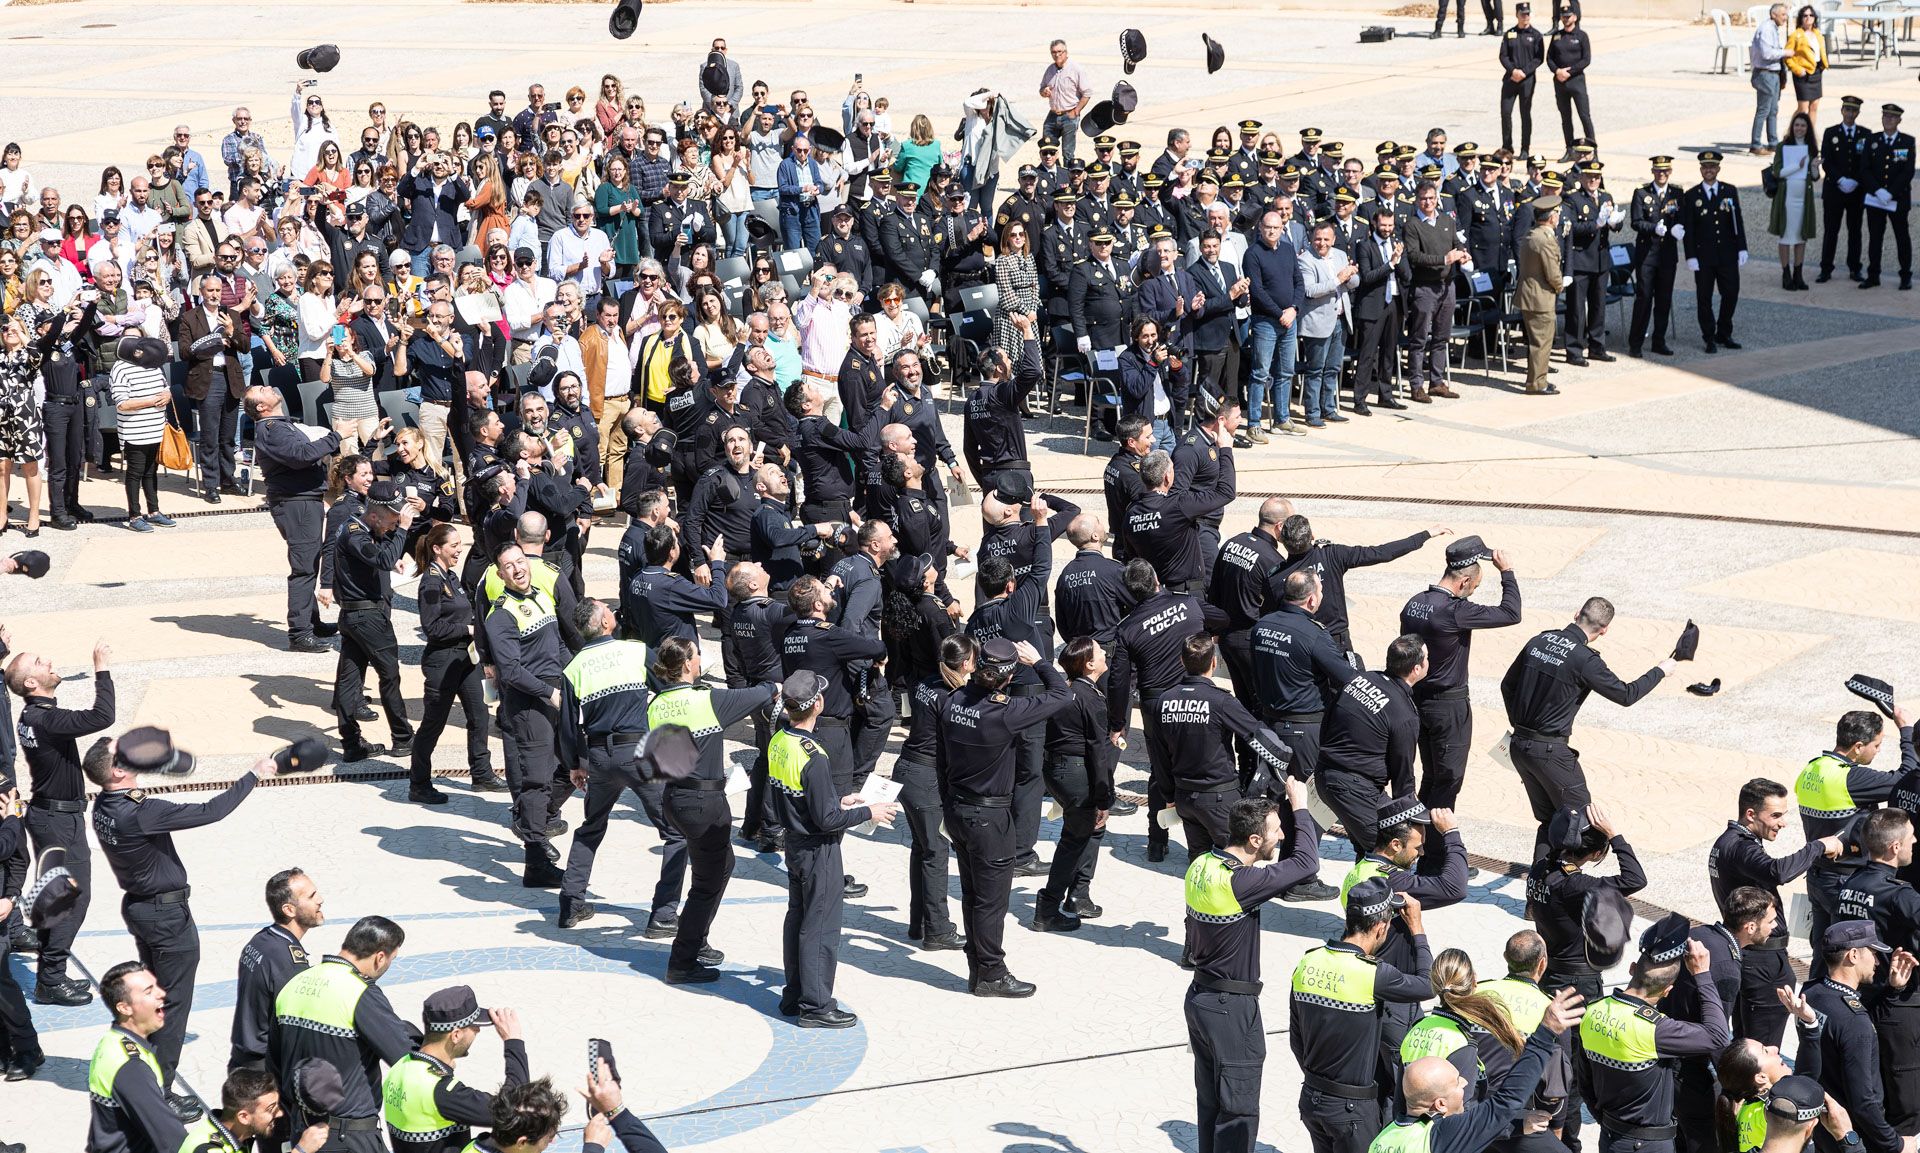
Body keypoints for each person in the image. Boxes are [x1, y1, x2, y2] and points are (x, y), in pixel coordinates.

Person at [91, 730, 283, 1119]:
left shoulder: (103, 807)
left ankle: (145, 1069)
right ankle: (159, 1092)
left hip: (141, 910)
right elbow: (211, 811)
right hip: (166, 919)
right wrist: (254, 774)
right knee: (170, 1006)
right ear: (116, 771)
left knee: (151, 996)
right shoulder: (140, 811)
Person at [1183, 791, 1323, 1153]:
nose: (1281, 836)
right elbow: (1307, 864)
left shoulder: (1203, 865)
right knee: (1239, 1108)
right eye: (1277, 831)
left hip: (1200, 998)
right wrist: (1302, 807)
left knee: (1211, 1101)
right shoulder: (1241, 883)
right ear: (1254, 839)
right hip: (1232, 1008)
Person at [937, 637, 1073, 997]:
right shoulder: (1004, 712)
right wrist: (1040, 662)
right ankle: (993, 973)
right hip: (989, 817)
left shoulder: (952, 701)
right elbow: (1061, 695)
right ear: (1008, 676)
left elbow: (940, 760)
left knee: (971, 894)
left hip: (957, 809)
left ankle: (978, 967)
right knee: (992, 900)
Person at [646, 636, 777, 983]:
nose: (701, 658)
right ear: (688, 664)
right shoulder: (707, 700)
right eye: (698, 653)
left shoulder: (656, 703)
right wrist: (774, 682)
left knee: (720, 866)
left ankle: (696, 937)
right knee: (707, 881)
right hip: (703, 803)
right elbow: (761, 694)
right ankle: (684, 959)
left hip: (675, 798)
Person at [772, 669, 899, 1027]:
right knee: (821, 927)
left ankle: (794, 993)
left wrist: (838, 800)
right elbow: (827, 820)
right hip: (818, 850)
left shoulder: (779, 741)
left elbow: (801, 800)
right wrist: (866, 811)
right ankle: (815, 1006)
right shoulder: (815, 756)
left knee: (797, 918)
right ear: (818, 704)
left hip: (795, 844)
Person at [1500, 598, 1680, 843]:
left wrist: (1520, 724)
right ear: (1604, 630)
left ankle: (1539, 881)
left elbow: (1507, 685)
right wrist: (1660, 670)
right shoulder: (1585, 660)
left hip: (1519, 746)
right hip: (1551, 753)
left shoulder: (1538, 640)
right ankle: (1565, 881)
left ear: (1576, 614)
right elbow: (1626, 695)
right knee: (1582, 823)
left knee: (1549, 822)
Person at [1290, 879, 1435, 1153]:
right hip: (1352, 1111)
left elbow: (1296, 1039)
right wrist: (1417, 929)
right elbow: (1427, 985)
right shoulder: (1373, 974)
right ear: (1381, 927)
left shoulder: (1307, 962)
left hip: (1312, 1098)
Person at [7, 638, 112, 1007]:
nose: (48, 660)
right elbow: (103, 717)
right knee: (70, 900)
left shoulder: (35, 716)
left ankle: (52, 973)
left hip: (52, 815)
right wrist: (101, 667)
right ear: (31, 684)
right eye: (38, 662)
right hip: (57, 820)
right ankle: (50, 980)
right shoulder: (46, 719)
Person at [1708, 777, 1843, 1049]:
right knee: (1763, 1048)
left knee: (1744, 1043)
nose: (1782, 822)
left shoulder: (1727, 842)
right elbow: (1777, 871)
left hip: (1748, 954)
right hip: (1762, 961)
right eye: (1776, 815)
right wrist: (1818, 846)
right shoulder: (1740, 847)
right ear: (1750, 814)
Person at [1578, 915, 1731, 1153]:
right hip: (1648, 1144)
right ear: (1668, 990)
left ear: (1632, 969)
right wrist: (1702, 974)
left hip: (1610, 1137)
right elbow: (1718, 1036)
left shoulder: (1593, 1012)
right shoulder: (1655, 1029)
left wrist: (1608, 1123)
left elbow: (1585, 1082)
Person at [272, 915, 415, 1150]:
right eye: (392, 959)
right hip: (350, 1137)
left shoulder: (295, 984)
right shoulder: (360, 992)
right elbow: (404, 1057)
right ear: (380, 957)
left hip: (304, 1131)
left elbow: (275, 1061)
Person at [1399, 538, 1521, 810]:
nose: (1473, 593)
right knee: (1449, 780)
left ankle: (1421, 838)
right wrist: (1507, 573)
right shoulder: (1455, 610)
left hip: (1417, 699)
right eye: (1475, 587)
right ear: (1464, 582)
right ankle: (1436, 846)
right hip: (1448, 707)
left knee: (1431, 777)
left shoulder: (1414, 603)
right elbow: (1512, 613)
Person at [1795, 706, 1912, 973]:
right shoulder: (1851, 777)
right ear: (1858, 746)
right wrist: (1906, 730)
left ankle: (1811, 1010)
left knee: (1821, 955)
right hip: (1844, 881)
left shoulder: (1812, 769)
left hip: (1817, 877)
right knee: (1845, 960)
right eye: (1877, 745)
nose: (1878, 750)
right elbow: (1905, 778)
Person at [484, 543, 572, 887]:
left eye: (521, 561)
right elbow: (510, 671)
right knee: (536, 780)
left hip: (557, 694)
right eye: (509, 566)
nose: (518, 569)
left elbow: (559, 647)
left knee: (574, 761)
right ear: (500, 574)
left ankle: (534, 817)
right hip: (530, 702)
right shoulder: (501, 614)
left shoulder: (541, 596)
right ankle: (535, 861)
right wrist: (550, 694)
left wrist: (576, 675)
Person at [1833, 809, 1920, 1131]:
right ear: (1895, 847)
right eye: (1911, 836)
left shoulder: (1848, 884)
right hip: (1897, 1000)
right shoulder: (1901, 895)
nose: (1915, 840)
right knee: (1904, 1089)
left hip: (1856, 995)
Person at [247, 385, 343, 652]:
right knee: (303, 567)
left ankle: (311, 622)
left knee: (309, 561)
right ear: (261, 407)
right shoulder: (272, 429)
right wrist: (336, 437)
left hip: (302, 499)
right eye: (262, 389)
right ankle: (300, 634)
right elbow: (301, 456)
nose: (269, 386)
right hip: (295, 502)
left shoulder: (280, 425)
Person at [411, 524, 502, 798]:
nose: (459, 550)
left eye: (460, 544)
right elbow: (432, 627)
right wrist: (468, 630)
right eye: (453, 546)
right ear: (437, 548)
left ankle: (482, 774)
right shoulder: (431, 581)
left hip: (466, 659)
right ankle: (419, 784)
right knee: (433, 724)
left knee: (480, 714)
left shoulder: (450, 577)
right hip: (443, 661)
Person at [329, 480, 416, 764]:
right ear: (375, 514)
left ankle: (352, 743)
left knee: (349, 678)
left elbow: (379, 557)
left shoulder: (362, 528)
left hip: (356, 616)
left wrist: (392, 558)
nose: (395, 523)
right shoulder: (355, 533)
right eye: (392, 517)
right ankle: (403, 738)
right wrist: (401, 531)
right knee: (389, 675)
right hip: (367, 617)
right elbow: (378, 557)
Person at [381, 986, 528, 1153]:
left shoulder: (402, 1066)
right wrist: (513, 1042)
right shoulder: (442, 1092)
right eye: (474, 1026)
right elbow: (515, 1107)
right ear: (456, 1035)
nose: (478, 1030)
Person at [85, 962, 189, 1151]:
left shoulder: (114, 1041)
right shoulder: (131, 1068)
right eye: (149, 991)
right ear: (124, 1008)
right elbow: (172, 1141)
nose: (161, 994)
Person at [230, 867, 323, 1073]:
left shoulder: (261, 940)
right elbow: (296, 1026)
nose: (320, 900)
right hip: (265, 1072)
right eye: (311, 896)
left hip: (243, 1059)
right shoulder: (288, 961)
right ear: (289, 910)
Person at [1679, 152, 1747, 353]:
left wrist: (1742, 247)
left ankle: (1724, 332)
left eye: (1712, 167)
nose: (1709, 170)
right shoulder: (1691, 196)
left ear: (1718, 169)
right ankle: (1709, 336)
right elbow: (1689, 229)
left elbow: (1737, 222)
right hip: (1704, 256)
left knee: (1731, 293)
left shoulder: (1729, 191)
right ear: (1701, 169)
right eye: (1705, 167)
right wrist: (1690, 255)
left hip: (1727, 254)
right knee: (1704, 298)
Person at [1627, 158, 1681, 358]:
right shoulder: (1642, 193)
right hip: (1647, 255)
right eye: (1658, 171)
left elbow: (1681, 216)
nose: (1661, 174)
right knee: (1644, 299)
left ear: (1670, 172)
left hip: (1667, 255)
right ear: (1652, 171)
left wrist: (1678, 227)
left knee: (1664, 299)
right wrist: (1653, 228)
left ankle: (1659, 340)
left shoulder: (1676, 193)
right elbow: (1636, 221)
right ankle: (1636, 343)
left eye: (1665, 171)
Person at [1860, 103, 1914, 292]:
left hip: (1897, 199)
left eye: (1892, 117)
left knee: (1902, 237)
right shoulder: (1872, 140)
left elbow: (1907, 172)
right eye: (1885, 116)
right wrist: (1877, 190)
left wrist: (1890, 193)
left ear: (1899, 120)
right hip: (1875, 199)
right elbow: (1864, 169)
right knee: (1875, 237)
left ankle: (1905, 275)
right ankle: (1873, 275)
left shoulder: (1907, 142)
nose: (1888, 120)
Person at [1818, 95, 1869, 285]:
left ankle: (1855, 268)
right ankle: (1826, 268)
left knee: (1855, 231)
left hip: (1856, 191)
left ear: (1858, 113)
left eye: (1854, 110)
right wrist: (1840, 179)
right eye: (1847, 109)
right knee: (1831, 231)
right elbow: (1827, 160)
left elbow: (1866, 162)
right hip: (1834, 189)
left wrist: (1855, 181)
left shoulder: (1865, 133)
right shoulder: (1831, 132)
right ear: (1842, 111)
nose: (1850, 113)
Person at [1766, 112, 1819, 291]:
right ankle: (1786, 273)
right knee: (1786, 235)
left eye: (1803, 125)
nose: (1799, 128)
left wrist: (1814, 167)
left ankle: (1798, 273)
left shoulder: (1811, 147)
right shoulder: (1783, 146)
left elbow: (1815, 177)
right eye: (1796, 125)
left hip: (1803, 198)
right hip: (1786, 198)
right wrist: (1798, 165)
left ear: (1807, 128)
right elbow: (1777, 172)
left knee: (1800, 237)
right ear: (1792, 126)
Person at [1547, 9, 1594, 161]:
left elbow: (1586, 59)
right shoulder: (1557, 36)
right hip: (1560, 83)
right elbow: (1549, 58)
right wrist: (1557, 71)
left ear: (1574, 17)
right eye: (1563, 17)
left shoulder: (1582, 36)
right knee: (1565, 117)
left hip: (1576, 81)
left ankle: (1593, 150)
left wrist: (1570, 72)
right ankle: (1569, 149)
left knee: (1584, 116)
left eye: (1569, 17)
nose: (1566, 19)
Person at [1500, 4, 1546, 156]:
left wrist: (1524, 72)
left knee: (1525, 113)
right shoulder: (1510, 34)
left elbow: (1539, 58)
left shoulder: (1536, 35)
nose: (1525, 17)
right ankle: (1507, 146)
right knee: (1506, 112)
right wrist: (1513, 70)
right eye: (1522, 14)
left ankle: (1525, 148)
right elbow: (1503, 55)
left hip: (1527, 80)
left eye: (1527, 14)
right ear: (1517, 15)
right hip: (1510, 79)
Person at [1038, 40, 1091, 163]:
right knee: (1047, 148)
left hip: (1069, 115)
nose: (1057, 55)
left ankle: (1067, 178)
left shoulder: (1076, 69)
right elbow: (1041, 89)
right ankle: (1053, 174)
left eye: (1059, 52)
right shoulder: (1050, 70)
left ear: (1066, 52)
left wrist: (1076, 111)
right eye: (1053, 52)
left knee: (1067, 152)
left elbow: (1087, 93)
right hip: (1053, 114)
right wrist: (1044, 92)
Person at [1750, 5, 1792, 157]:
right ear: (1773, 14)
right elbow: (1767, 53)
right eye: (1782, 14)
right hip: (1764, 73)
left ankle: (1773, 142)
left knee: (1773, 109)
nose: (1785, 17)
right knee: (1763, 110)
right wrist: (1785, 53)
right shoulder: (1767, 29)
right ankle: (1755, 144)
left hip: (1774, 73)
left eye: (1786, 15)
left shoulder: (1774, 28)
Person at [1786, 5, 1826, 123]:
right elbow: (1788, 57)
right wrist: (1797, 69)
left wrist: (1824, 65)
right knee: (1803, 108)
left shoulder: (1817, 33)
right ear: (1801, 18)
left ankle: (1811, 136)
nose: (1808, 18)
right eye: (1805, 16)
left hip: (1816, 71)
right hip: (1802, 74)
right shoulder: (1796, 35)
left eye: (1811, 15)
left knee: (1814, 107)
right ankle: (1791, 132)